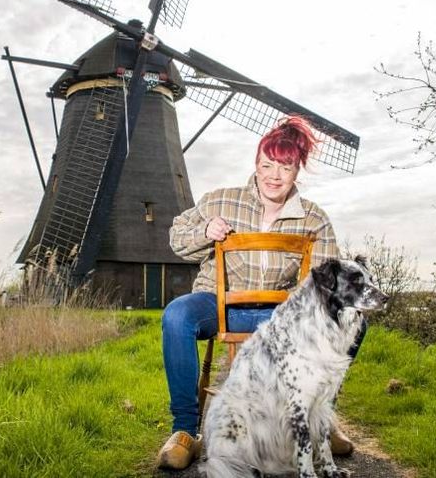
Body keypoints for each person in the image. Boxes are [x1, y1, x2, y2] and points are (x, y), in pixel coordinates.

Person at [156, 115, 366, 471]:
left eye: (284, 167)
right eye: (267, 164)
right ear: (256, 163)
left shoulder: (314, 219)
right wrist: (206, 230)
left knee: (353, 319)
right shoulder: (221, 200)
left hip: (279, 313)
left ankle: (320, 419)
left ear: (296, 170)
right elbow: (176, 238)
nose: (274, 175)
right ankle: (185, 429)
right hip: (219, 302)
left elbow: (329, 287)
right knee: (177, 316)